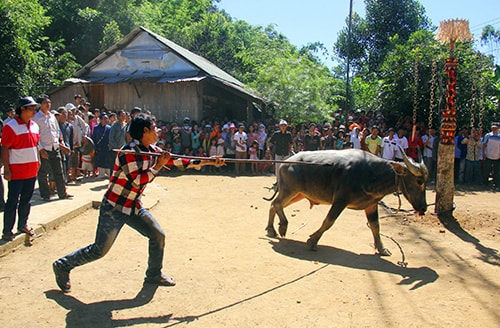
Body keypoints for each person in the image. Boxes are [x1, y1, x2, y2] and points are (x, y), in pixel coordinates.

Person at [52, 114, 224, 293]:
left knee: (157, 235)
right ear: (145, 131)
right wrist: (158, 166)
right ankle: (62, 265)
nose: (157, 130)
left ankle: (153, 274)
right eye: (154, 126)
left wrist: (210, 161)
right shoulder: (129, 152)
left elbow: (179, 161)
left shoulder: (152, 150)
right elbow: (138, 181)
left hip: (133, 206)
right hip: (114, 207)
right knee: (99, 250)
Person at [1, 97, 40, 241]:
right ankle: (7, 231)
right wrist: (7, 169)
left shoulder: (35, 126)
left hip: (31, 170)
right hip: (17, 172)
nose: (34, 111)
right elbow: (4, 148)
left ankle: (22, 224)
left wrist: (38, 161)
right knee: (12, 201)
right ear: (22, 109)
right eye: (32, 108)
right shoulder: (10, 127)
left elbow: (36, 145)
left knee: (26, 200)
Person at [34, 94, 73, 201]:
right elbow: (35, 136)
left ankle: (62, 193)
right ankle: (46, 195)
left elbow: (57, 131)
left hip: (54, 147)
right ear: (40, 105)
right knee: (43, 173)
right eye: (46, 103)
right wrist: (40, 149)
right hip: (44, 148)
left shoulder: (52, 116)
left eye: (49, 103)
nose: (48, 105)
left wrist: (61, 144)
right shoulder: (36, 118)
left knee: (59, 171)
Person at [92, 112, 111, 179]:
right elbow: (94, 138)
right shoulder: (96, 128)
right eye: (104, 119)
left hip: (107, 147)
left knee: (107, 160)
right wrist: (94, 147)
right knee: (100, 160)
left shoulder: (109, 128)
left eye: (107, 119)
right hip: (99, 147)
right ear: (101, 120)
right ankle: (101, 173)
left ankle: (108, 173)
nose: (106, 120)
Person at [483, 122, 500, 188]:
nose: (493, 129)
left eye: (495, 128)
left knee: (496, 171)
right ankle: (485, 183)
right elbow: (484, 145)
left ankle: (496, 183)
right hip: (488, 155)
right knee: (487, 170)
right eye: (493, 128)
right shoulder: (488, 135)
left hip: (497, 156)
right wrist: (484, 153)